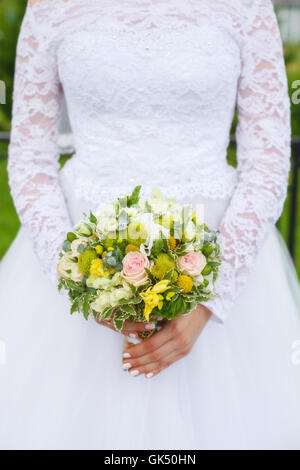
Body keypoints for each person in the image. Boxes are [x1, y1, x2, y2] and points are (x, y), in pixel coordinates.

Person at [0, 0, 299, 450]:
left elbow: (269, 161)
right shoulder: (52, 7)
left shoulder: (246, 7)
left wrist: (208, 302)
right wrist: (79, 279)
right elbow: (29, 160)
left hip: (218, 257)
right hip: (81, 259)